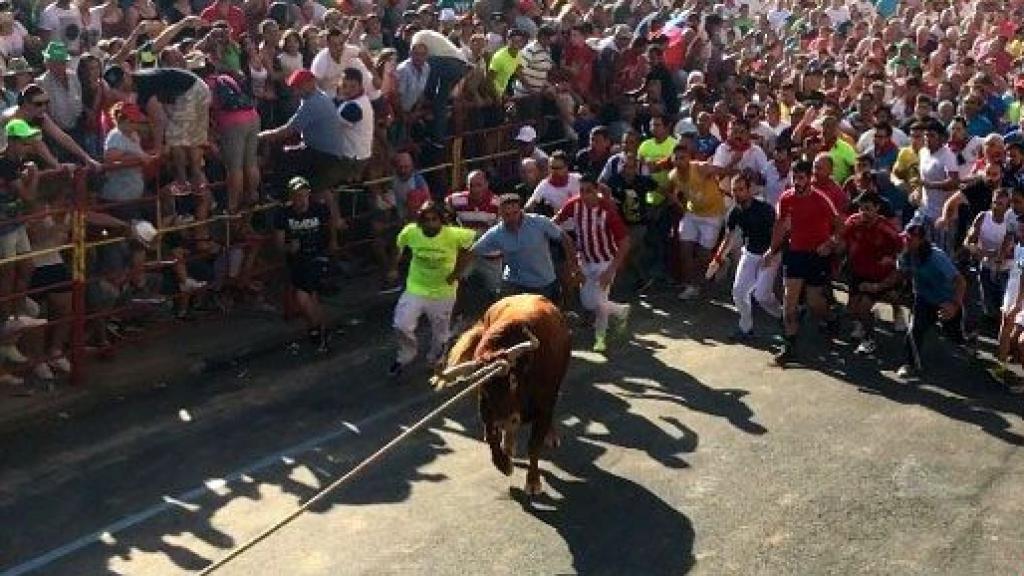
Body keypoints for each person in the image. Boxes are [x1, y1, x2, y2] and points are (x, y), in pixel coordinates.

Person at [764, 159, 842, 366]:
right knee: (789, 302)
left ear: (809, 178)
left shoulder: (821, 199)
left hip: (816, 255)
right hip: (795, 253)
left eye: (800, 178)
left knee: (814, 302)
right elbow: (780, 226)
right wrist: (771, 250)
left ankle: (830, 317)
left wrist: (830, 243)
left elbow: (840, 226)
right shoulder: (786, 198)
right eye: (794, 177)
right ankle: (789, 346)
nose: (796, 182)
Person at [386, 200, 475, 377]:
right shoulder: (411, 231)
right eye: (426, 220)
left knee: (440, 332)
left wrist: (457, 272)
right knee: (401, 324)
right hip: (416, 287)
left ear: (441, 220)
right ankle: (406, 354)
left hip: (443, 291)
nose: (430, 224)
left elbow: (472, 244)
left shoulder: (454, 235)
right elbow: (399, 246)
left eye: (435, 219)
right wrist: (393, 267)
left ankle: (435, 357)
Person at [877, 217, 968, 380]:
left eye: (910, 239)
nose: (906, 241)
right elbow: (900, 274)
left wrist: (954, 305)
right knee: (914, 330)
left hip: (946, 300)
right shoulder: (905, 255)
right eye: (905, 237)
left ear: (921, 240)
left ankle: (965, 342)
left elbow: (960, 281)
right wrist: (879, 286)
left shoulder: (936, 257)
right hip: (924, 299)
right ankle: (910, 364)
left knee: (954, 336)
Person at [553, 173, 630, 352]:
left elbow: (625, 242)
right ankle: (621, 311)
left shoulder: (607, 211)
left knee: (600, 302)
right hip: (585, 261)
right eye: (582, 191)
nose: (585, 195)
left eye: (589, 191)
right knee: (588, 303)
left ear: (597, 191)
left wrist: (611, 270)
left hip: (605, 261)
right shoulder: (574, 204)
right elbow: (556, 220)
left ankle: (600, 339)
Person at [709, 173, 781, 341]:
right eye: (734, 190)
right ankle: (745, 327)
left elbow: (778, 234)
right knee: (739, 292)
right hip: (749, 253)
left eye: (741, 189)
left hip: (770, 254)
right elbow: (729, 237)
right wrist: (717, 259)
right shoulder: (734, 212)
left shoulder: (765, 210)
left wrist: (772, 254)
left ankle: (784, 317)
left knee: (762, 296)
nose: (737, 193)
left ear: (750, 190)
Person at [471, 193, 576, 300]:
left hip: (543, 283)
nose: (512, 218)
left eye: (515, 213)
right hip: (514, 284)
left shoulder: (540, 222)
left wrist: (574, 266)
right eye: (507, 215)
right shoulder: (496, 233)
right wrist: (456, 275)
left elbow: (563, 237)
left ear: (521, 210)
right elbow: (473, 251)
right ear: (500, 214)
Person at [840, 191, 904, 355]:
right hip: (857, 273)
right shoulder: (853, 222)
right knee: (852, 310)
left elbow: (902, 251)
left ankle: (869, 340)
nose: (864, 213)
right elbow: (840, 239)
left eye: (868, 209)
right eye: (861, 209)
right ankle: (868, 318)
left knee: (880, 301)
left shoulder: (887, 229)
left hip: (879, 276)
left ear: (877, 208)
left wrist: (890, 260)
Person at [274, 176, 330, 351]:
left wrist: (330, 248)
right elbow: (279, 244)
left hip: (317, 256)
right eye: (297, 196)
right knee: (309, 297)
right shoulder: (283, 215)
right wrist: (289, 247)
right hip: (297, 259)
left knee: (303, 294)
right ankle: (317, 328)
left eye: (303, 195)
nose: (301, 199)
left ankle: (316, 329)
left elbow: (329, 232)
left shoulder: (319, 210)